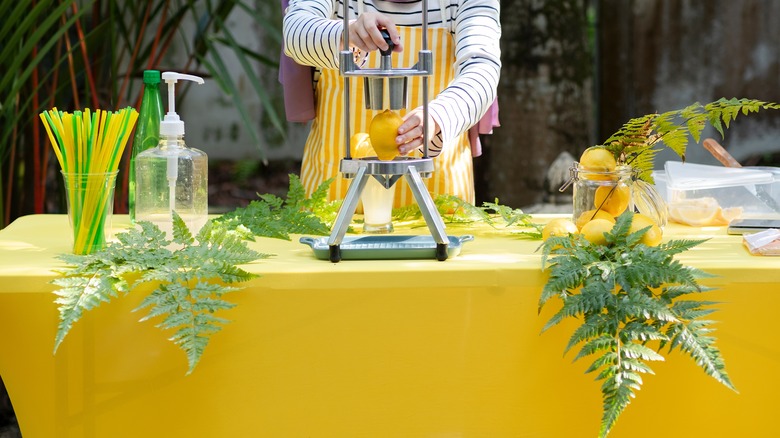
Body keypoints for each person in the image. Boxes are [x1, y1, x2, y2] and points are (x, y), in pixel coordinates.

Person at [281, 0, 501, 207]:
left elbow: (482, 68)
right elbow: (295, 34)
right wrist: (347, 33)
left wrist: (437, 116)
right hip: (330, 205)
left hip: (440, 207)